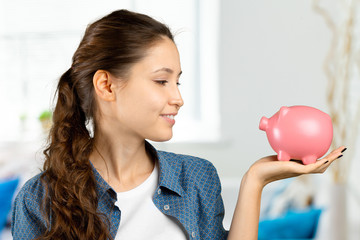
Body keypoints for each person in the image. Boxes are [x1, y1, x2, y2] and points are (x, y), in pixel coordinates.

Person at [11, 9, 345, 240]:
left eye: (178, 82)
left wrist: (255, 180)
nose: (178, 98)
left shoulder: (198, 178)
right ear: (107, 86)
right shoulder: (38, 200)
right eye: (161, 81)